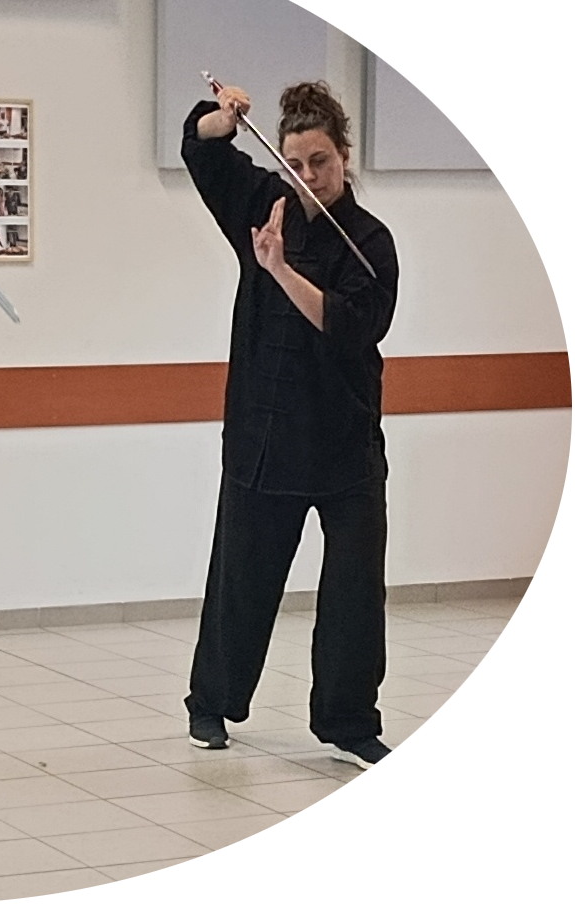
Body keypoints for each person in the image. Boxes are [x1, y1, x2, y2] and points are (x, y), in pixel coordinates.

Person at [180, 81, 400, 770]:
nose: (308, 176)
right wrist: (221, 118)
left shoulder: (371, 241)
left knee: (354, 594)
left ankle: (348, 721)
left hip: (345, 444)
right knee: (241, 580)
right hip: (263, 435)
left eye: (321, 162)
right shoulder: (261, 204)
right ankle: (211, 702)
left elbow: (352, 326)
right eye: (297, 163)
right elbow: (201, 153)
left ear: (344, 157)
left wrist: (277, 269)